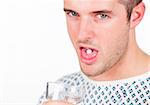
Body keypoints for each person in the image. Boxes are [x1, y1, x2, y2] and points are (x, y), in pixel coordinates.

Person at [38, 0, 150, 105]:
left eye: (102, 16)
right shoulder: (61, 93)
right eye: (73, 13)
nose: (82, 35)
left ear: (135, 16)